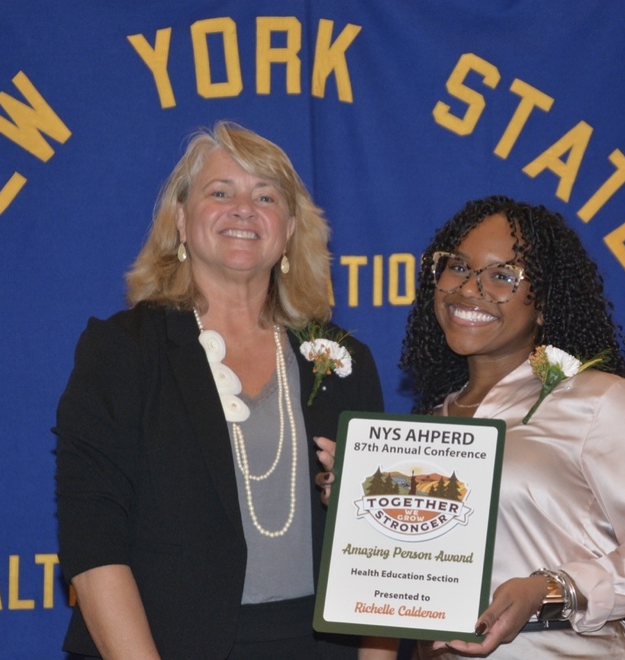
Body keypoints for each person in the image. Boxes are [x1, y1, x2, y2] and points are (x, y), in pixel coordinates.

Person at [54, 121, 383, 659]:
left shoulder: (343, 361)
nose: (244, 210)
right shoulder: (124, 351)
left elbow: (382, 556)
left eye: (266, 197)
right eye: (221, 193)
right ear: (181, 221)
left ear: (289, 230)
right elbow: (93, 541)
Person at [355, 195, 625, 658]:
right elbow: (395, 595)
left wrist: (551, 589)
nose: (469, 288)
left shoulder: (597, 401)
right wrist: (360, 502)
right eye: (458, 267)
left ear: (543, 304)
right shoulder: (427, 429)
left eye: (502, 276)